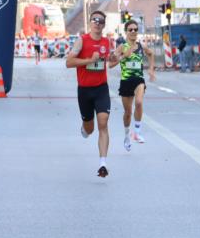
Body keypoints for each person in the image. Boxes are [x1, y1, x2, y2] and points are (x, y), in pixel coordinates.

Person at [66, 10, 113, 178]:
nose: (97, 23)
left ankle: (103, 163)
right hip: (85, 90)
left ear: (104, 24)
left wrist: (119, 57)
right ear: (90, 22)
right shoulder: (82, 41)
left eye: (101, 21)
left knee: (103, 121)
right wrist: (89, 61)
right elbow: (69, 62)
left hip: (101, 88)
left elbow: (111, 60)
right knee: (90, 128)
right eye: (95, 20)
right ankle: (84, 128)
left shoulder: (107, 42)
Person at [109, 18, 156, 151]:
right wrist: (124, 56)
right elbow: (110, 64)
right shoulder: (121, 47)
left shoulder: (141, 46)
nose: (134, 32)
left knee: (139, 102)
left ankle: (137, 132)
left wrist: (151, 69)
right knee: (128, 112)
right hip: (126, 81)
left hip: (138, 79)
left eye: (136, 29)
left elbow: (151, 54)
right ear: (126, 32)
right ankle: (126, 135)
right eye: (131, 30)